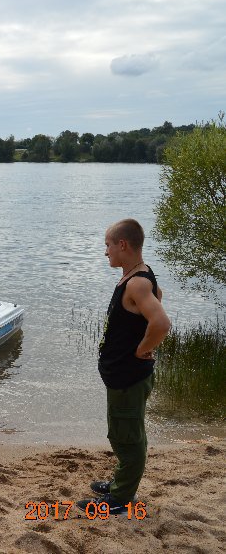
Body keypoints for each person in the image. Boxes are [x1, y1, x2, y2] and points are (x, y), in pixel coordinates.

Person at [77, 219, 171, 515]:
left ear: (123, 245)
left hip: (129, 376)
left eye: (108, 245)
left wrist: (143, 349)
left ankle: (121, 498)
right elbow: (158, 298)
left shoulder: (137, 282)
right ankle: (122, 482)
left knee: (127, 438)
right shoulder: (137, 277)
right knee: (122, 432)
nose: (105, 251)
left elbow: (161, 323)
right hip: (123, 376)